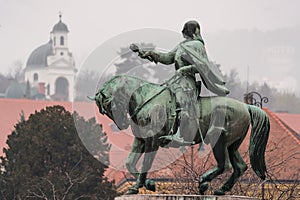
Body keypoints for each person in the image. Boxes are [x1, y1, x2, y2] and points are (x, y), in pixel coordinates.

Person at [135, 20, 230, 145]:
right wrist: (150, 53)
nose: (184, 33)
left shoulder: (198, 45)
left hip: (188, 83)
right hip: (177, 81)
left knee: (181, 101)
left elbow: (204, 66)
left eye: (186, 30)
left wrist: (186, 69)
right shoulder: (182, 45)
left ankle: (181, 133)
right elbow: (168, 58)